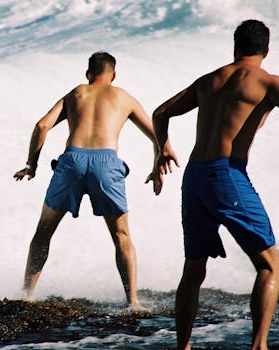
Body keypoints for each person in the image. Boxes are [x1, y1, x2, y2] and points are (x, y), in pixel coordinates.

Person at [152, 19, 279, 350]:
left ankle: (183, 346)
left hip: (193, 177)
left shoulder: (209, 80)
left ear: (234, 46)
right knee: (270, 265)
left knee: (193, 269)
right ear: (267, 50)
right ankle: (260, 346)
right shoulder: (267, 82)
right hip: (227, 175)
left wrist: (162, 149)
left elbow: (160, 113)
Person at [14, 51, 175, 309]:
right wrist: (157, 164)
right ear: (113, 75)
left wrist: (31, 165)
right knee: (121, 235)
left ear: (88, 75)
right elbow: (157, 132)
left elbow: (42, 126)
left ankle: (25, 296)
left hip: (72, 161)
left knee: (43, 232)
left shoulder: (77, 92)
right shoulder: (123, 97)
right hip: (107, 164)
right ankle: (132, 301)